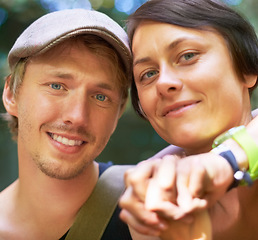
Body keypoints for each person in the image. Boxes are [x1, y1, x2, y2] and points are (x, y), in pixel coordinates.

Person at [0, 8, 156, 240]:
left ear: (118, 112)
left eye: (100, 97)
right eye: (56, 86)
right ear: (12, 94)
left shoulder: (149, 211)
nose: (77, 116)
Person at [119, 0, 258, 239]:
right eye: (148, 74)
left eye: (187, 56)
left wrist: (226, 160)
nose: (163, 83)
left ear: (247, 68)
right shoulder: (151, 201)